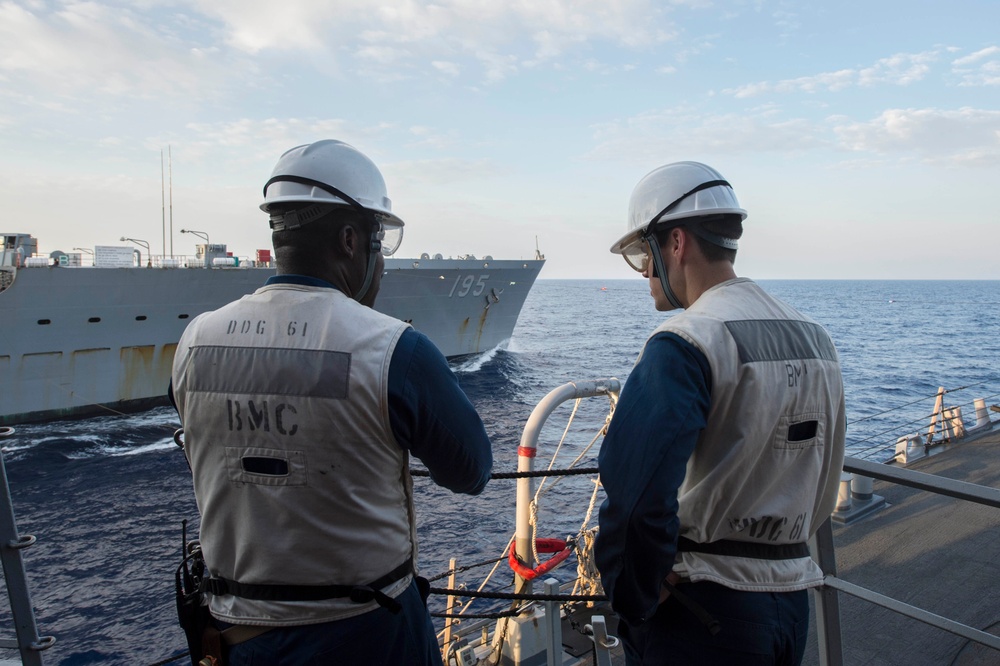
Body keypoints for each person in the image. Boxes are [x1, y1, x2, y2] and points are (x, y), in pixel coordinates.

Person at [169, 139, 493, 665]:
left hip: (239, 639)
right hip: (370, 636)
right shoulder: (393, 349)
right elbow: (472, 471)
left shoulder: (194, 342)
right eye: (377, 243)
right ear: (349, 239)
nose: (379, 262)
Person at [595, 161, 846, 665]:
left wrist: (634, 598)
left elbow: (636, 494)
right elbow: (825, 465)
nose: (645, 271)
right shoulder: (815, 337)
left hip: (704, 613)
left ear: (677, 243)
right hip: (791, 602)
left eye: (644, 253)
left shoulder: (685, 341)